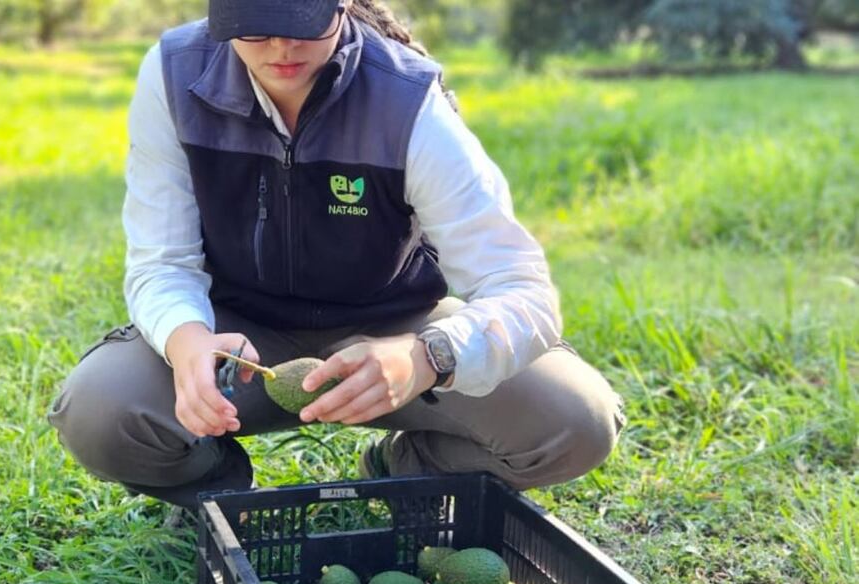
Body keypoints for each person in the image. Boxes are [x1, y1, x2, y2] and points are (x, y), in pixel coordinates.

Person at [47, 0, 626, 513]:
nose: (281, 48)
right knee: (99, 409)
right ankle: (217, 497)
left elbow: (521, 286)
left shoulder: (409, 101)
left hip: (395, 327)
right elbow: (162, 261)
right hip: (241, 341)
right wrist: (186, 341)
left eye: (301, 21)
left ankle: (405, 477)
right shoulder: (174, 74)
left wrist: (429, 355)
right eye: (254, 26)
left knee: (575, 419)